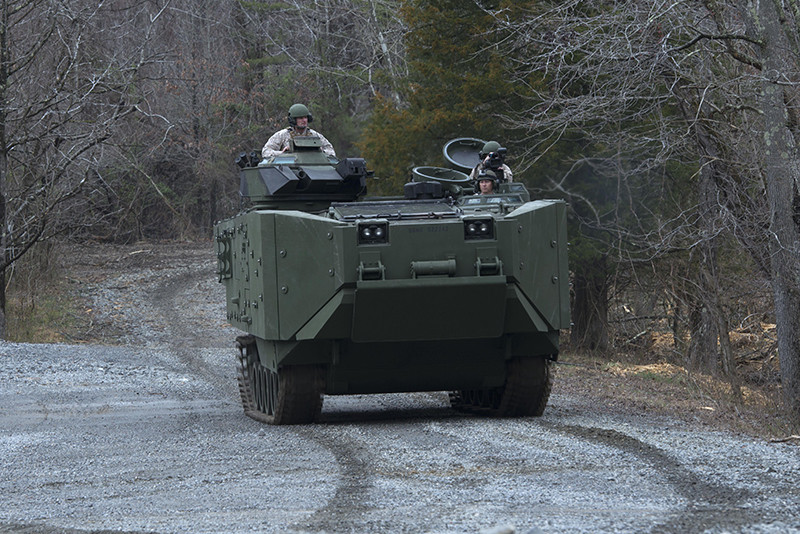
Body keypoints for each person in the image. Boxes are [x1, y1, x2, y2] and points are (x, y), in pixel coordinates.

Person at [261, 103, 336, 159]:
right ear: (293, 120)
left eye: (305, 117)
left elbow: (331, 153)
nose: (304, 120)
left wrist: (320, 151)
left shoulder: (315, 135)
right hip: (288, 170)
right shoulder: (282, 135)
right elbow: (266, 152)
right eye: (300, 118)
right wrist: (284, 153)